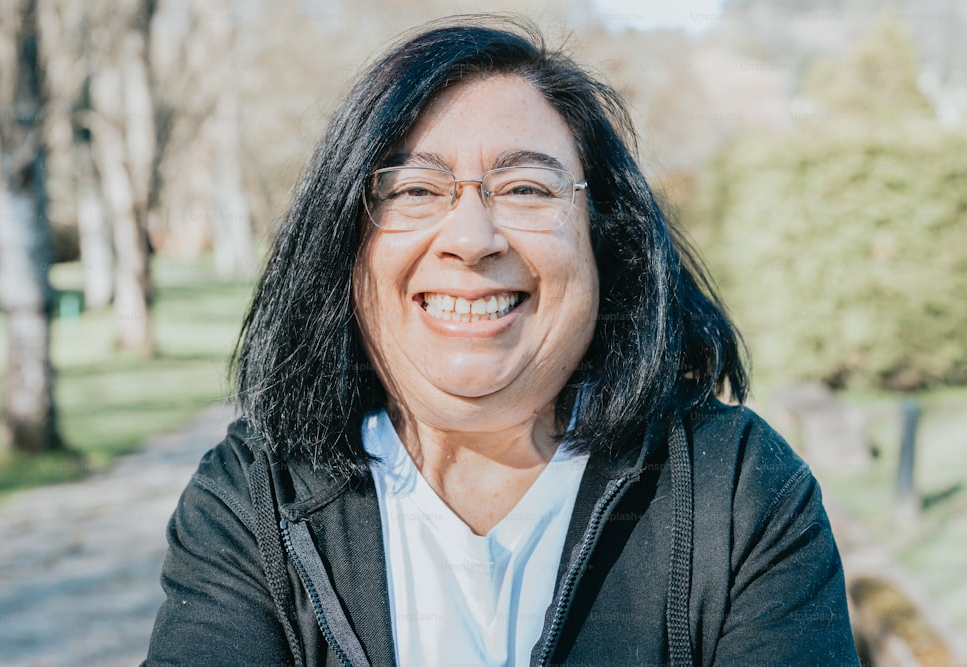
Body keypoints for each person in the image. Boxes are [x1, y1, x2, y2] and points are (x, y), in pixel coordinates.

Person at [144, 15, 859, 667]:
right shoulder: (252, 498)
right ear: (345, 246)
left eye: (525, 189)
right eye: (414, 190)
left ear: (603, 239)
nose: (471, 239)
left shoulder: (736, 491)